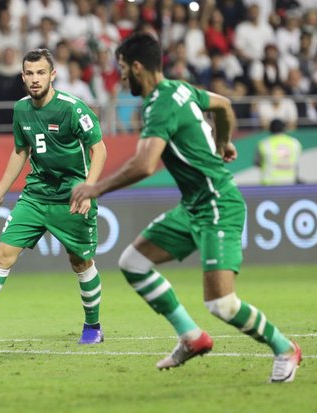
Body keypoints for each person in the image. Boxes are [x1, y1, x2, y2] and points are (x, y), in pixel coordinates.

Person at [70, 33, 302, 383]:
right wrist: (223, 141)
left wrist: (96, 188)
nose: (120, 77)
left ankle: (285, 348)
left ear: (137, 67)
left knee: (222, 304)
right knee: (132, 263)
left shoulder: (158, 104)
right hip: (194, 205)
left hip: (218, 205)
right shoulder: (181, 89)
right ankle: (191, 337)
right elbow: (223, 104)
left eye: (122, 69)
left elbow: (145, 165)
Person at [0, 48, 108, 347]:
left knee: (81, 262)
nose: (35, 79)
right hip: (36, 196)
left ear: (53, 75)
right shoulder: (22, 109)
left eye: (41, 73)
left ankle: (93, 326)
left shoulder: (73, 108)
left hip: (73, 198)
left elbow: (99, 150)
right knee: (0, 256)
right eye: (30, 73)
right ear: (22, 77)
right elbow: (20, 152)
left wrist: (89, 190)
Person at [254, 119, 302, 185]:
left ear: (270, 129)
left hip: (268, 184)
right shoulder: (295, 143)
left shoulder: (264, 144)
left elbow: (257, 163)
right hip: (289, 182)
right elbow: (296, 162)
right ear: (284, 128)